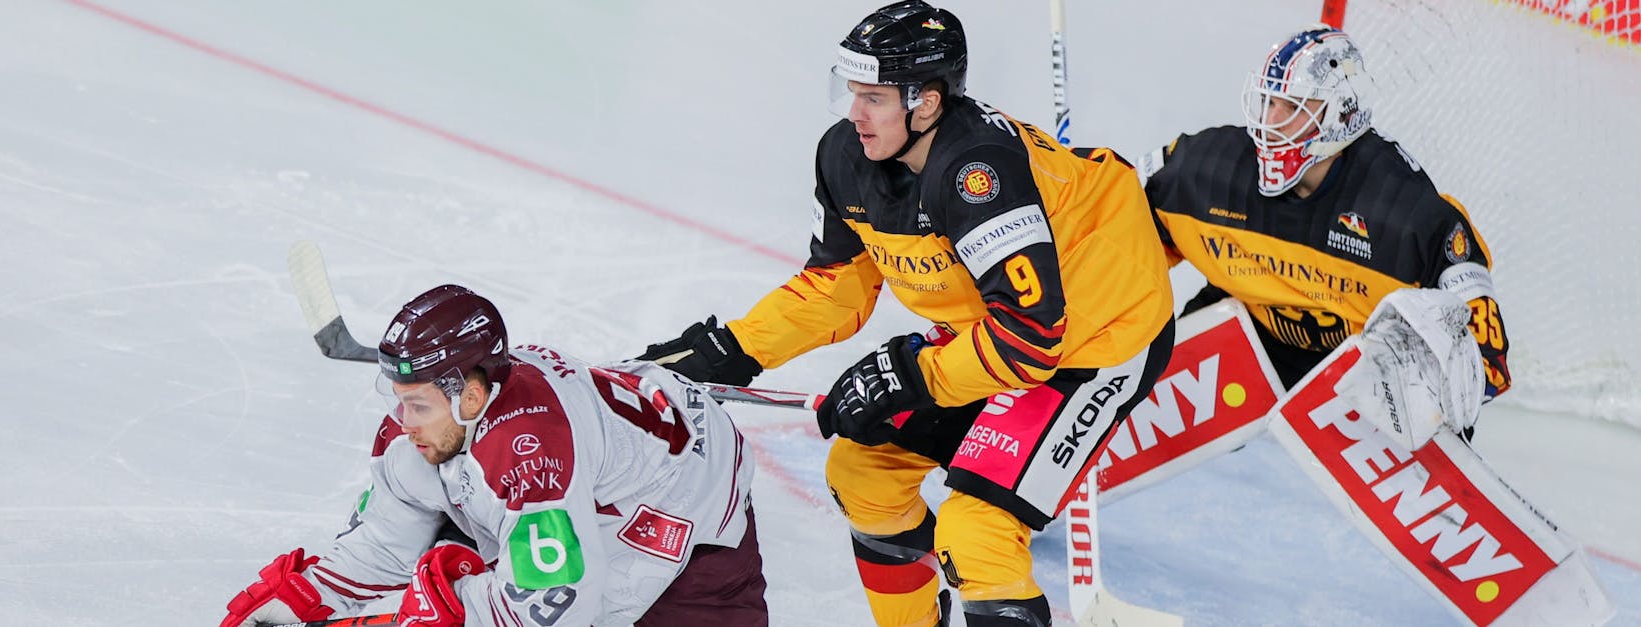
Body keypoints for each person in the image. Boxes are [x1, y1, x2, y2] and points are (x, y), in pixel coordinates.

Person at [638, 2, 1174, 625]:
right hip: (995, 331)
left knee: (975, 536)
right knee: (862, 474)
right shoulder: (845, 158)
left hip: (1095, 342)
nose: (854, 113)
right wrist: (735, 348)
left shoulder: (980, 174)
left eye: (874, 97)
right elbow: (837, 287)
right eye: (850, 91)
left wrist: (913, 374)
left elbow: (1030, 342)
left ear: (927, 102)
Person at [222, 285, 766, 627]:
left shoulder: (531, 453)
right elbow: (385, 543)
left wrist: (457, 610)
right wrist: (309, 595)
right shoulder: (425, 425)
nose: (401, 422)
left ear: (472, 395)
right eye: (398, 400)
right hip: (584, 473)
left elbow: (557, 599)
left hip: (682, 504)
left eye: (417, 405)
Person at [1138, 25, 1511, 422]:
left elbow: (1485, 361)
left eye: (1293, 105)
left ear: (1339, 115)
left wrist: (1438, 399)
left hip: (1363, 371)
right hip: (1247, 334)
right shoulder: (1207, 168)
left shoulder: (1405, 213)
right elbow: (1122, 239)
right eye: (1269, 101)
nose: (1270, 120)